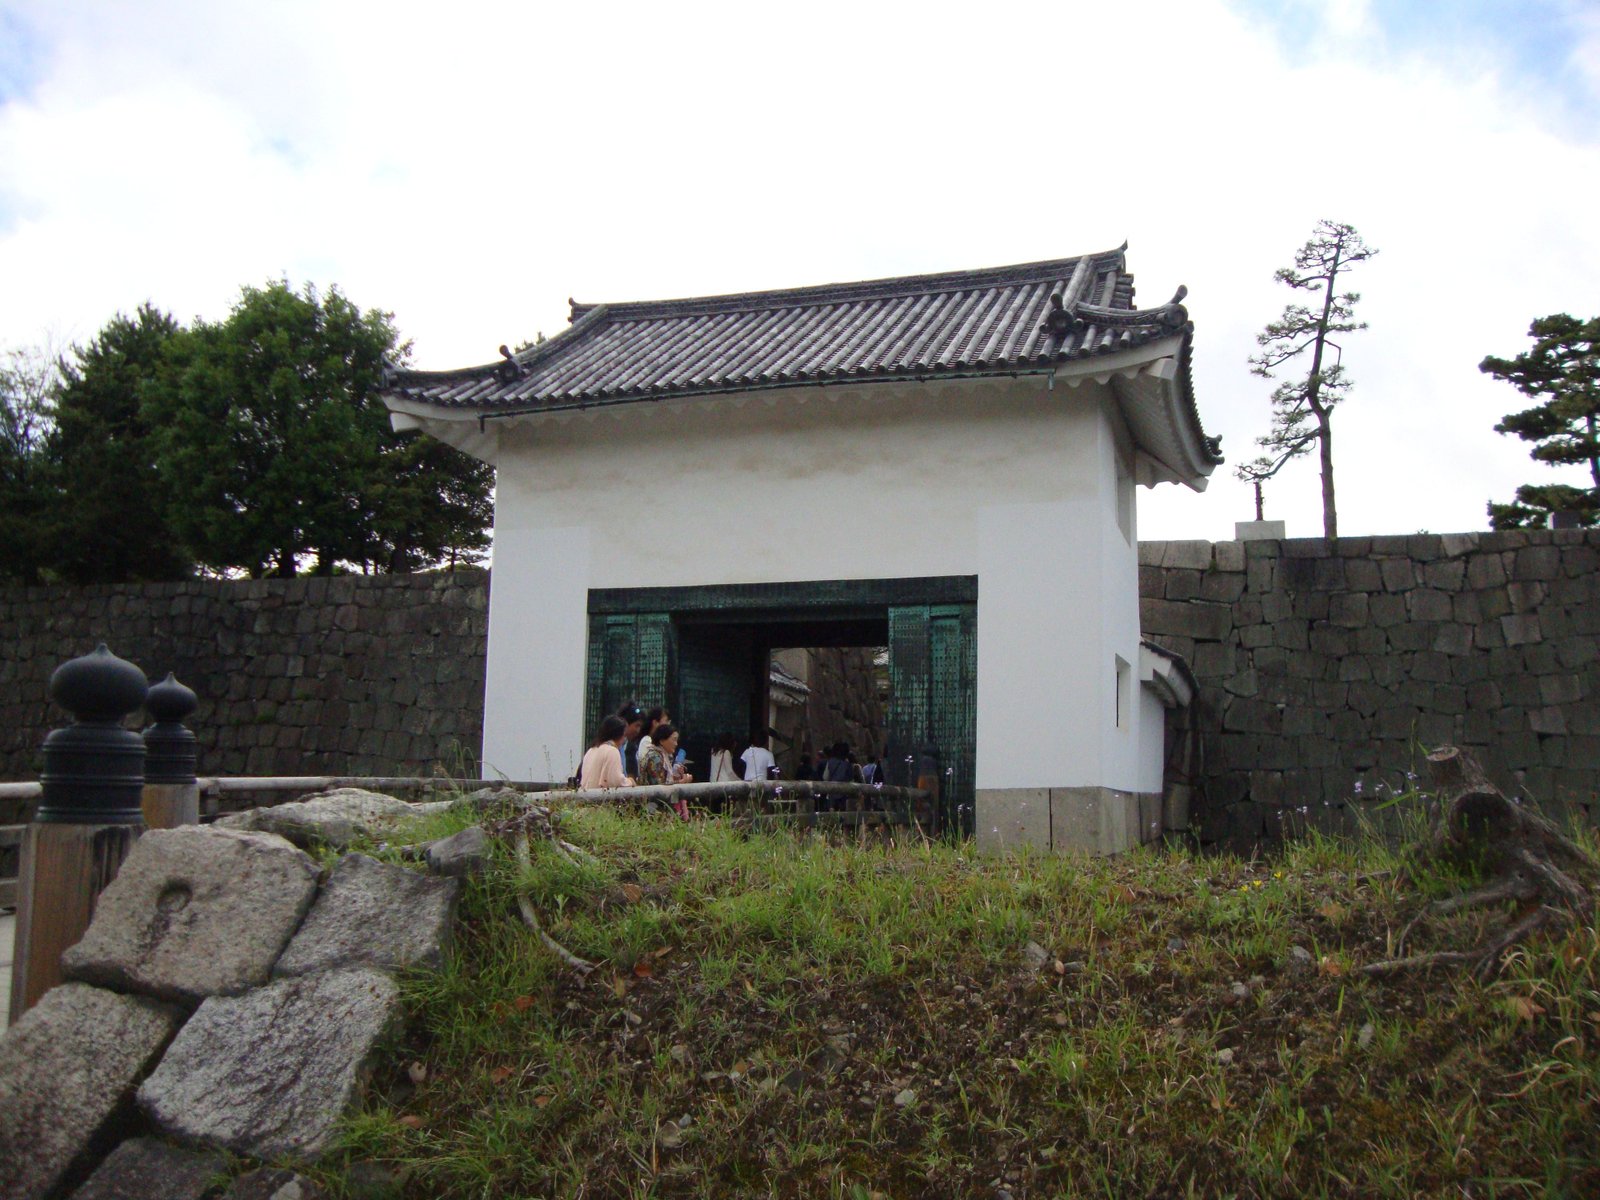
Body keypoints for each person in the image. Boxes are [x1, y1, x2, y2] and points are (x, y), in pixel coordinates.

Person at [637, 722, 692, 819]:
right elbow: (659, 786)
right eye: (674, 740)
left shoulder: (661, 756)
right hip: (654, 810)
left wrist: (677, 777)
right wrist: (681, 782)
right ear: (662, 740)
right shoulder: (655, 758)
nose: (676, 744)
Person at [579, 715, 634, 789]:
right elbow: (615, 781)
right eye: (624, 735)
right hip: (600, 798)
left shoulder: (591, 750)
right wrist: (630, 781)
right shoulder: (612, 751)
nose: (624, 740)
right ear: (618, 735)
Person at [615, 702, 645, 777]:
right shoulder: (615, 748)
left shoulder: (630, 746)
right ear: (626, 724)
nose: (638, 730)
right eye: (637, 725)